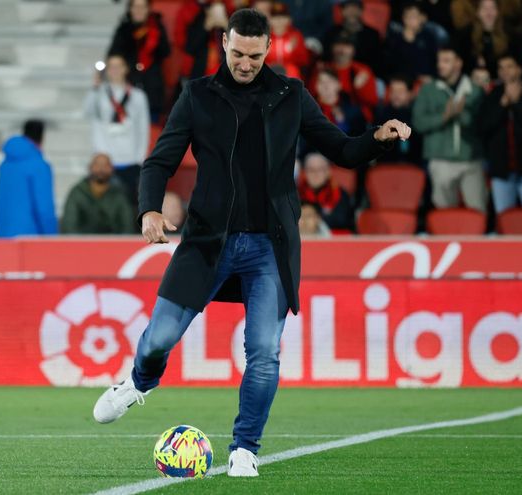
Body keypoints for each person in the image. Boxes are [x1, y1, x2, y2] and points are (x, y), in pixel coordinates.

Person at [92, 8, 410, 477]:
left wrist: (378, 139)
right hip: (206, 240)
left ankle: (245, 448)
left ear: (268, 51)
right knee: (158, 338)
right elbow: (159, 162)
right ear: (224, 43)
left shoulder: (291, 95)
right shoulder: (197, 95)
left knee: (264, 351)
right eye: (238, 53)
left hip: (270, 246)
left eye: (255, 56)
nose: (245, 63)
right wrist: (150, 210)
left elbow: (340, 149)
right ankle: (138, 382)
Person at [412, 45, 487, 213]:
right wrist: (444, 116)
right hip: (440, 160)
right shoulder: (428, 89)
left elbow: (481, 124)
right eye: (439, 61)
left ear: (458, 63)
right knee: (444, 213)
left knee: (477, 210)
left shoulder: (474, 90)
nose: (440, 65)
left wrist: (460, 114)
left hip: (470, 159)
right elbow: (418, 122)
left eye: (446, 61)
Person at [479, 54, 522, 213]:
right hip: (501, 169)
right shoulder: (493, 96)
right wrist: (502, 106)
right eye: (501, 68)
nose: (505, 71)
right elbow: (483, 126)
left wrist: (517, 102)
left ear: (519, 69)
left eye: (509, 66)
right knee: (503, 218)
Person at [84, 54, 150, 207]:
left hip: (130, 159)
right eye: (110, 66)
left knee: (129, 204)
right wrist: (94, 88)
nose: (114, 70)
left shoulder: (137, 96)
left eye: (118, 66)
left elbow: (143, 128)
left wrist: (140, 158)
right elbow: (87, 112)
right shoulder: (98, 93)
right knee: (102, 206)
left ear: (125, 69)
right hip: (105, 160)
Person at [0, 119, 58, 238]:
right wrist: (51, 236)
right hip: (29, 237)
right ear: (42, 137)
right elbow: (44, 206)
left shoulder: (5, 165)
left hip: (3, 235)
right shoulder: (39, 165)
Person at [107, 0, 171, 122]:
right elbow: (114, 54)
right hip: (129, 87)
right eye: (135, 6)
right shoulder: (123, 29)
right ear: (130, 9)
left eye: (142, 7)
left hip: (152, 90)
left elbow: (166, 52)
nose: (139, 10)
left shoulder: (156, 27)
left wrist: (154, 38)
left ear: (148, 9)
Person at [60, 153, 137, 234]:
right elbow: (69, 227)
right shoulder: (77, 193)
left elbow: (128, 227)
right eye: (97, 165)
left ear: (112, 169)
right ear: (90, 167)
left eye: (105, 165)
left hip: (114, 244)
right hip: (83, 244)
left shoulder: (120, 194)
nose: (101, 169)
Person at [374, 74, 423, 166]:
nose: (396, 95)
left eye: (400, 91)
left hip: (413, 167)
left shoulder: (418, 115)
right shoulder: (381, 115)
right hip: (385, 167)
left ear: (411, 94)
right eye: (393, 91)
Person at [297, 152, 354, 231]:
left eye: (320, 169)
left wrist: (314, 220)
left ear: (328, 172)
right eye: (311, 170)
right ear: (305, 173)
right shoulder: (296, 194)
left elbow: (342, 221)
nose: (315, 174)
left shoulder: (339, 194)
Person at [321, 0, 382, 71]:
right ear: (342, 11)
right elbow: (325, 57)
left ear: (361, 11)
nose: (351, 12)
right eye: (347, 8)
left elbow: (376, 60)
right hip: (335, 71)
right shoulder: (332, 32)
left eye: (354, 8)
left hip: (365, 72)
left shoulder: (372, 34)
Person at [264, 1, 309, 79]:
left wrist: (294, 51)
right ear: (269, 19)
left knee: (293, 71)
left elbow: (304, 60)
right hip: (269, 73)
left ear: (289, 19)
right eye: (275, 17)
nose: (279, 20)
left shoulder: (296, 36)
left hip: (290, 74)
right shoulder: (264, 36)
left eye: (283, 16)